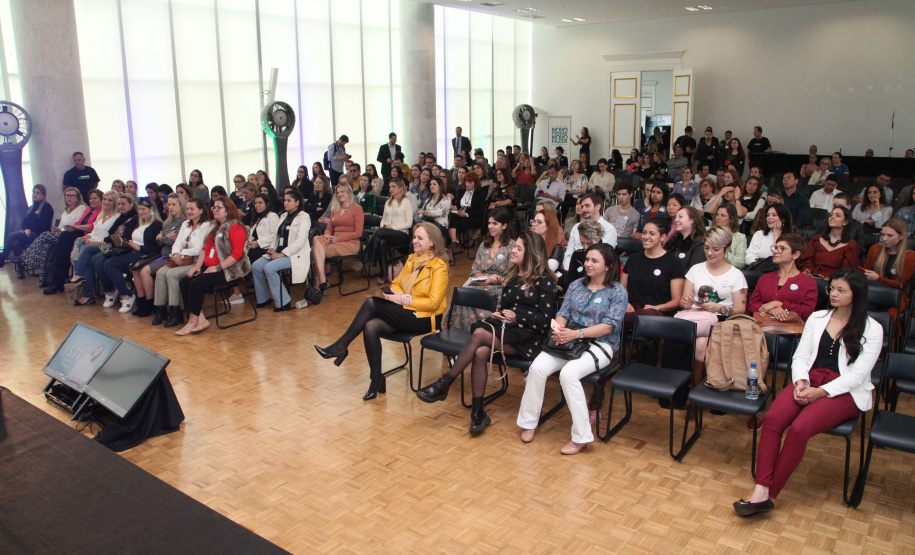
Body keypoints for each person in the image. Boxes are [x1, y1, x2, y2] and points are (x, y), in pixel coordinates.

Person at [734, 268, 881, 517]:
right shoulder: (818, 318)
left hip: (842, 389)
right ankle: (761, 489)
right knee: (772, 420)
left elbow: (858, 375)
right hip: (809, 379)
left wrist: (820, 392)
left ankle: (768, 493)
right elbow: (801, 356)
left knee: (800, 428)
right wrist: (801, 381)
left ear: (857, 294)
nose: (833, 294)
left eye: (841, 290)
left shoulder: (872, 328)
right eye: (831, 288)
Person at [416, 230, 558, 433]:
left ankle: (445, 382)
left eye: (518, 248)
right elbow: (504, 308)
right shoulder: (511, 276)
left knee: (480, 334)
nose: (513, 251)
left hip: (530, 338)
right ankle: (477, 411)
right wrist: (500, 315)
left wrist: (517, 317)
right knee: (480, 351)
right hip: (508, 329)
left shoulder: (544, 280)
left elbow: (546, 319)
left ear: (531, 253)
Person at [317, 222, 449, 399]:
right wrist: (401, 296)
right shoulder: (411, 259)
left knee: (372, 303)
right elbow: (395, 283)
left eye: (420, 238)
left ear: (432, 242)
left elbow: (434, 303)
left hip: (425, 318)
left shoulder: (439, 266)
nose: (415, 241)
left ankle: (341, 345)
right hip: (406, 310)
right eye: (414, 237)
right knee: (371, 326)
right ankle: (376, 378)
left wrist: (404, 300)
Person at [517, 243, 626, 454]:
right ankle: (529, 422)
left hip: (600, 344)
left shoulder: (618, 292)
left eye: (595, 260)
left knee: (568, 374)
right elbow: (563, 313)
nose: (588, 264)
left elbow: (608, 326)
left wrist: (576, 334)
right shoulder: (576, 285)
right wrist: (558, 328)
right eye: (587, 259)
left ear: (609, 265)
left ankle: (581, 436)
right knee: (537, 368)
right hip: (570, 339)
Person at [676, 226, 749, 381]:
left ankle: (695, 383)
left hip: (722, 320)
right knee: (699, 343)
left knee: (699, 342)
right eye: (707, 248)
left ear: (727, 249)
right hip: (695, 316)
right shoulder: (695, 270)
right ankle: (688, 383)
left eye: (716, 249)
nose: (710, 253)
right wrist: (687, 303)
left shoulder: (736, 275)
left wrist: (720, 308)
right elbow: (684, 302)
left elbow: (740, 309)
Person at [176, 198, 250, 336]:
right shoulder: (215, 227)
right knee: (185, 282)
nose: (214, 210)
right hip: (211, 266)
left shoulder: (235, 227)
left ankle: (192, 321)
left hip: (229, 269)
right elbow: (204, 248)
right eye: (214, 207)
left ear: (227, 211)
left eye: (218, 208)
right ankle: (201, 319)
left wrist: (217, 268)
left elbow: (237, 255)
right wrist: (197, 267)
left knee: (197, 284)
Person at [448, 207, 515, 330]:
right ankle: (458, 331)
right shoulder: (484, 245)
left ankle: (482, 332)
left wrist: (494, 280)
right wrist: (485, 279)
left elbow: (512, 276)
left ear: (504, 225)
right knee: (463, 292)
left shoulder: (512, 246)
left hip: (500, 286)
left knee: (482, 296)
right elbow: (475, 270)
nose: (490, 226)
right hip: (483, 281)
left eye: (495, 223)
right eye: (489, 223)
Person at [153, 198, 212, 328]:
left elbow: (198, 249)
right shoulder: (186, 224)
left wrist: (181, 253)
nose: (189, 211)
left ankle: (176, 311)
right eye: (188, 209)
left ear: (201, 210)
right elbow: (177, 243)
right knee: (160, 272)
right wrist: (175, 254)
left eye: (192, 209)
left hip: (196, 262)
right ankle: (160, 309)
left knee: (172, 274)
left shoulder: (206, 226)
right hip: (180, 259)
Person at [71, 193, 137, 306]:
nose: (106, 202)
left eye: (110, 200)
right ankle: (87, 293)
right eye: (105, 199)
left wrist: (97, 242)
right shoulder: (104, 215)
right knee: (82, 247)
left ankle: (80, 276)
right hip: (105, 244)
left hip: (113, 247)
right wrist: (87, 237)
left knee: (90, 256)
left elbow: (114, 237)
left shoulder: (121, 217)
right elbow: (101, 233)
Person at [100, 197, 163, 313]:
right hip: (133, 251)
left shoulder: (157, 224)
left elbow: (156, 248)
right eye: (139, 209)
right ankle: (139, 300)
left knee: (110, 264)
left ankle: (127, 295)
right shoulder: (140, 223)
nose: (141, 212)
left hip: (146, 254)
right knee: (104, 262)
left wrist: (137, 247)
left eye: (144, 209)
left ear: (152, 209)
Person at [251, 189, 311, 312]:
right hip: (278, 252)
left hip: (294, 254)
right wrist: (272, 248)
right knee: (256, 266)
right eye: (284, 200)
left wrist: (282, 254)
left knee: (269, 268)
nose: (285, 203)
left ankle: (284, 302)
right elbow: (276, 236)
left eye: (289, 200)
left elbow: (300, 241)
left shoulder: (304, 217)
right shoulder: (283, 216)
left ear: (297, 202)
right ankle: (264, 298)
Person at [621, 217, 685, 330]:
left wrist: (658, 307)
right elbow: (621, 289)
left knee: (625, 318)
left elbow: (676, 300)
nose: (646, 237)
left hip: (655, 312)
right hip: (630, 309)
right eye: (644, 232)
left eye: (652, 233)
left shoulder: (673, 263)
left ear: (663, 236)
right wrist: (625, 303)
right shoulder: (633, 259)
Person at [43, 189, 109, 295]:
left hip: (87, 235)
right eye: (90, 198)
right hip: (77, 233)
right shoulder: (88, 210)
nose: (91, 200)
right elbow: (79, 222)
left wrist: (75, 227)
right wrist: (73, 227)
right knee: (64, 253)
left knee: (64, 239)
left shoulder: (101, 211)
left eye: (95, 198)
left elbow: (92, 227)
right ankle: (56, 280)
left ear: (101, 200)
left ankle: (54, 267)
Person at [131, 194, 186, 319]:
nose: (170, 207)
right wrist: (163, 238)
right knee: (136, 268)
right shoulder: (168, 221)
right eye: (169, 204)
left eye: (174, 204)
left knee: (145, 271)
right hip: (163, 255)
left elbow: (174, 242)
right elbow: (160, 242)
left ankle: (153, 305)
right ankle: (144, 303)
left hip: (172, 257)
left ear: (181, 205)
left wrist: (163, 237)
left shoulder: (183, 222)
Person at [22, 186, 87, 285]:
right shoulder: (66, 210)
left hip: (71, 236)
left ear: (78, 197)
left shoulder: (81, 208)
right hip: (61, 234)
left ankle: (27, 257)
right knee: (45, 246)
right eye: (67, 195)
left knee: (44, 235)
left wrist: (61, 229)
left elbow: (75, 224)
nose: (69, 198)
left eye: (72, 196)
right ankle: (45, 280)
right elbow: (61, 226)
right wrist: (58, 229)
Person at [747, 233, 818, 321]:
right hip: (762, 328)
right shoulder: (765, 278)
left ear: (796, 255)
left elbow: (807, 312)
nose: (775, 251)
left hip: (790, 331)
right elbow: (751, 305)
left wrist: (780, 304)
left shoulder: (808, 282)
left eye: (782, 248)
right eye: (775, 247)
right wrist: (771, 309)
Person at [312, 183, 364, 290]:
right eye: (338, 192)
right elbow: (330, 227)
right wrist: (327, 235)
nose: (340, 194)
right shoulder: (336, 209)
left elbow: (358, 233)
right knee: (315, 239)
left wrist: (338, 239)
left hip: (350, 242)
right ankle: (321, 279)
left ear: (349, 192)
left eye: (342, 191)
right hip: (333, 239)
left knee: (315, 249)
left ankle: (319, 282)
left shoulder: (357, 208)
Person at [863, 219, 915, 315]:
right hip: (872, 289)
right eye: (882, 234)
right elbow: (865, 272)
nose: (884, 238)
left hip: (894, 294)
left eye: (889, 236)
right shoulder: (875, 248)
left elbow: (900, 284)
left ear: (901, 236)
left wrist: (878, 278)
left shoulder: (910, 256)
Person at [0, 185, 54, 274]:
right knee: (16, 243)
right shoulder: (31, 207)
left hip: (40, 235)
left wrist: (29, 229)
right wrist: (26, 229)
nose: (34, 195)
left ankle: (2, 259)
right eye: (33, 192)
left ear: (43, 195)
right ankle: (20, 270)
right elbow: (24, 222)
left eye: (38, 193)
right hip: (30, 233)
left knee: (13, 235)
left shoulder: (47, 207)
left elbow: (43, 224)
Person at [799, 205, 858, 279]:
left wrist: (830, 279)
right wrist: (808, 271)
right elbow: (807, 261)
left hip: (835, 282)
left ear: (845, 222)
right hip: (813, 277)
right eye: (831, 215)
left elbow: (847, 270)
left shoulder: (851, 245)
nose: (832, 217)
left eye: (838, 215)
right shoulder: (817, 240)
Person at [564, 193, 617, 270]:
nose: (584, 209)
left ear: (598, 207)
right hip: (576, 268)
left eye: (587, 206)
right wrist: (570, 270)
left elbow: (606, 257)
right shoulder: (576, 227)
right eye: (582, 206)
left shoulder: (609, 229)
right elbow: (568, 254)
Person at [448, 171, 485, 253]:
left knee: (450, 224)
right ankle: (454, 240)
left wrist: (466, 214)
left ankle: (453, 242)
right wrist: (455, 208)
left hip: (473, 217)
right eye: (466, 182)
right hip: (460, 215)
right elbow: (458, 205)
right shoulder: (461, 192)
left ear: (475, 183)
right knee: (451, 216)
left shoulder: (480, 194)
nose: (467, 184)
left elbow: (481, 211)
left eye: (470, 182)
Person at [746, 204, 793, 269]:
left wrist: (776, 236)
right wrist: (761, 265)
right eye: (768, 215)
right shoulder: (759, 234)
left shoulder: (791, 238)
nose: (770, 217)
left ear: (783, 218)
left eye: (774, 215)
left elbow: (782, 260)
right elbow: (749, 257)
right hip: (759, 269)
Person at [665, 206, 707, 271]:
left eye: (680, 217)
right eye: (676, 217)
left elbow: (694, 270)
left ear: (692, 220)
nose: (676, 220)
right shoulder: (673, 240)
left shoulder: (699, 243)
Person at [247, 193, 280, 265]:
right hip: (254, 246)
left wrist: (258, 243)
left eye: (260, 203)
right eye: (255, 203)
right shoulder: (257, 218)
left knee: (249, 255)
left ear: (267, 204)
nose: (257, 205)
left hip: (266, 248)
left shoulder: (272, 216)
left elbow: (275, 235)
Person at [715, 203, 747, 269]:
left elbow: (741, 262)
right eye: (717, 214)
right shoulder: (708, 232)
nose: (718, 218)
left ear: (731, 218)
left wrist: (724, 253)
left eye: (722, 215)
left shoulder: (740, 237)